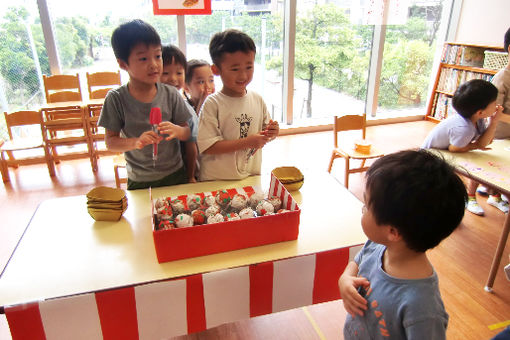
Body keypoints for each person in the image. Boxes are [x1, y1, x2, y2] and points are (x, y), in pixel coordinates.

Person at [339, 149, 467, 340]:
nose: (362, 209)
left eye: (366, 206)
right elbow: (358, 261)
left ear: (393, 232)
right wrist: (346, 279)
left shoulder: (422, 307)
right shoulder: (378, 245)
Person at [98, 19, 191, 190]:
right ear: (123, 64)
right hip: (139, 179)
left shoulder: (171, 94)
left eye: (157, 56)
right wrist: (136, 142)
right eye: (143, 58)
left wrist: (177, 131)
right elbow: (110, 142)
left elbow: (187, 132)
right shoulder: (116, 99)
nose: (154, 65)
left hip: (175, 175)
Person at [197, 29, 279, 181]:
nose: (243, 75)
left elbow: (265, 133)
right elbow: (208, 147)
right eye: (235, 69)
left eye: (249, 67)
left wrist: (272, 131)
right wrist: (247, 142)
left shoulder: (257, 99)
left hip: (251, 176)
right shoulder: (213, 103)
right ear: (216, 70)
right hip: (216, 180)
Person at [421, 79, 503, 216]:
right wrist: (475, 145)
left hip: (443, 155)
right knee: (433, 189)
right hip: (429, 159)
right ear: (480, 112)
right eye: (494, 103)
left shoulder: (478, 120)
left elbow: (484, 143)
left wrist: (494, 122)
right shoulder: (464, 128)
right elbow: (455, 148)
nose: (497, 105)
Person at [480, 26, 510, 212]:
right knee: (493, 164)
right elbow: (494, 111)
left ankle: (493, 191)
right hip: (498, 132)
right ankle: (484, 193)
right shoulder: (502, 77)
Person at [161, 44, 199, 182]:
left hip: (182, 171)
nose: (173, 78)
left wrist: (191, 176)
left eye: (179, 73)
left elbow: (191, 145)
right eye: (166, 73)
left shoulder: (184, 107)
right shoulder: (155, 103)